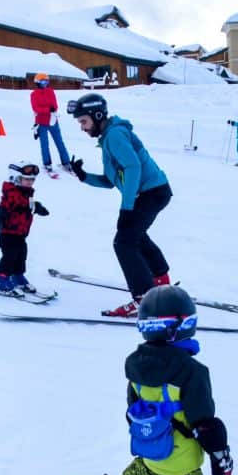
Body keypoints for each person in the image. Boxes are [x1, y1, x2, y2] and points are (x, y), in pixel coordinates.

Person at [101, 285, 233, 475]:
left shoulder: (135, 364)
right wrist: (221, 457)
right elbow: (205, 422)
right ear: (178, 329)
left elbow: (131, 406)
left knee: (149, 465)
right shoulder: (192, 371)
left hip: (149, 444)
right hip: (178, 453)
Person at [67, 93, 173, 317]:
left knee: (124, 241)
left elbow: (133, 167)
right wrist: (84, 176)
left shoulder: (114, 135)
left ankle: (144, 298)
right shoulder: (109, 138)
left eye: (83, 121)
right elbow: (110, 181)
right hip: (150, 192)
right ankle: (161, 282)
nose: (82, 128)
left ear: (97, 115)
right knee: (135, 236)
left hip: (151, 192)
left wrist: (126, 208)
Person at [0, 161, 49, 295]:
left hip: (20, 233)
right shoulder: (11, 193)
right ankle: (1, 279)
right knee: (9, 256)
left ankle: (17, 276)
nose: (30, 182)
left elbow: (27, 206)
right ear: (15, 178)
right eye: (26, 179)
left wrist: (38, 207)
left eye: (32, 180)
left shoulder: (26, 193)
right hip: (8, 233)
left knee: (21, 255)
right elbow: (2, 209)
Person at [29, 73, 71, 177]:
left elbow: (55, 106)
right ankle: (47, 164)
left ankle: (66, 162)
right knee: (44, 144)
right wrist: (47, 109)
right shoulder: (34, 94)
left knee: (59, 142)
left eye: (47, 81)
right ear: (37, 82)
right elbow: (36, 108)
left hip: (53, 121)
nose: (45, 84)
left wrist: (49, 109)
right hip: (41, 122)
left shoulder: (51, 92)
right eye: (43, 81)